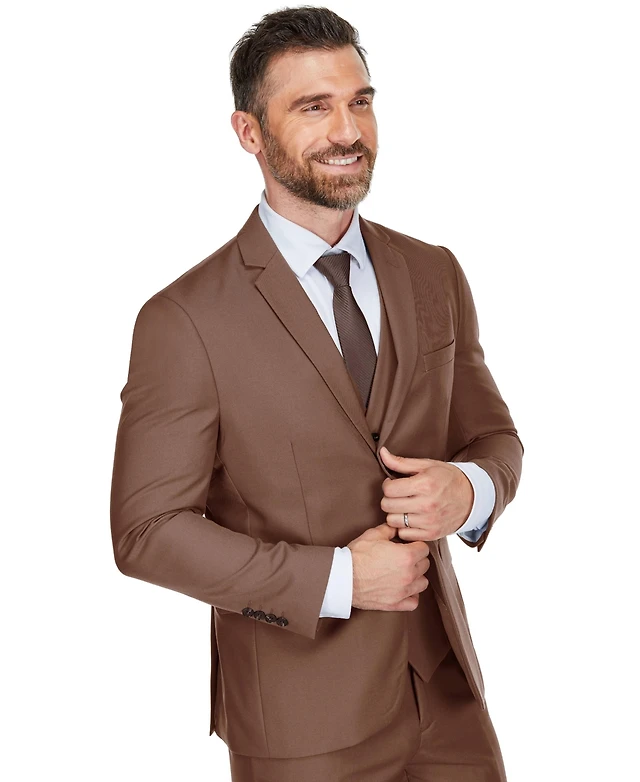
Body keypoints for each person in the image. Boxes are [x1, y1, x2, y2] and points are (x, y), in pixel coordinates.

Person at [110, 6, 524, 781]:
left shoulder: (433, 271)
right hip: (300, 724)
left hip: (449, 703)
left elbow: (494, 439)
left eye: (360, 101)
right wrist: (337, 579)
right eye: (313, 107)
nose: (348, 130)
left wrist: (469, 490)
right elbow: (147, 532)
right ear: (248, 132)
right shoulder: (184, 320)